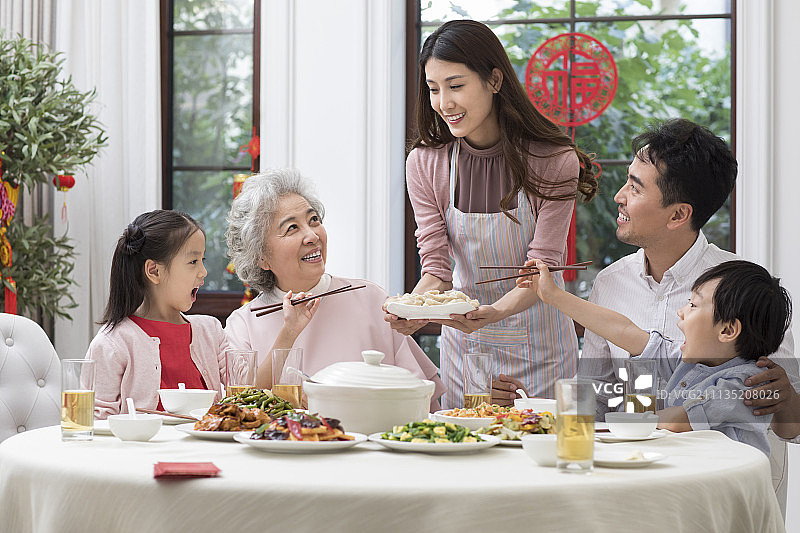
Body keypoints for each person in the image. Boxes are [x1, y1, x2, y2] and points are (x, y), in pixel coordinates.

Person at [494, 119, 800, 443]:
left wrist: (786, 400)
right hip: (638, 468)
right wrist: (531, 409)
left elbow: (791, 426)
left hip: (724, 473)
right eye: (627, 181)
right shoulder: (610, 283)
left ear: (678, 215)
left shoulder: (741, 290)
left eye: (635, 188)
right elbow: (597, 400)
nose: (618, 196)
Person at [385, 19, 599, 409]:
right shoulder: (426, 163)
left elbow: (541, 270)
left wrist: (494, 312)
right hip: (467, 348)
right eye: (433, 89)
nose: (444, 103)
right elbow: (436, 269)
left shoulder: (553, 160)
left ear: (494, 80)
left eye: (455, 85)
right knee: (465, 442)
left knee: (539, 443)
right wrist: (412, 310)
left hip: (540, 348)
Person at [224, 169, 445, 410]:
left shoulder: (371, 299)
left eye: (313, 220)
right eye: (292, 228)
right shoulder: (244, 324)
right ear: (261, 257)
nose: (312, 236)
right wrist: (289, 333)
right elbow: (240, 410)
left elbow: (422, 400)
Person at [528, 258, 791, 457]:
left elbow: (677, 420)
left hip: (722, 496)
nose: (681, 311)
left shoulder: (747, 383)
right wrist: (554, 296)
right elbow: (624, 330)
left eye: (693, 304)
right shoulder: (689, 361)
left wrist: (618, 423)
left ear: (727, 330)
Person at [86, 210, 228, 419]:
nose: (203, 272)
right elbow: (97, 422)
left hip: (208, 441)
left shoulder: (211, 331)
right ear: (154, 271)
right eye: (193, 261)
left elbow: (246, 387)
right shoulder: (112, 343)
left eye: (202, 260)